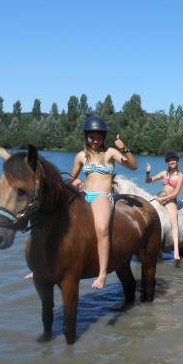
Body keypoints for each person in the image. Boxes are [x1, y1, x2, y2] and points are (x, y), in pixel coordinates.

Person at [69, 116, 138, 289]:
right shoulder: (80, 156)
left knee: (102, 229)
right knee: (56, 218)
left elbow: (133, 166)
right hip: (84, 194)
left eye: (98, 137)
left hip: (102, 196)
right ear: (86, 137)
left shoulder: (111, 153)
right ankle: (45, 265)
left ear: (103, 137)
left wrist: (126, 149)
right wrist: (74, 182)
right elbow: (71, 178)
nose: (95, 140)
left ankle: (102, 273)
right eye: (92, 137)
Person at [145, 151, 183, 260]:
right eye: (169, 160)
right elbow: (148, 181)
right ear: (167, 162)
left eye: (173, 159)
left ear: (177, 161)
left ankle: (176, 251)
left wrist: (163, 199)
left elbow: (176, 193)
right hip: (159, 197)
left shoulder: (180, 176)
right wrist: (148, 172)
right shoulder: (164, 173)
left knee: (174, 222)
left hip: (170, 200)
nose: (172, 161)